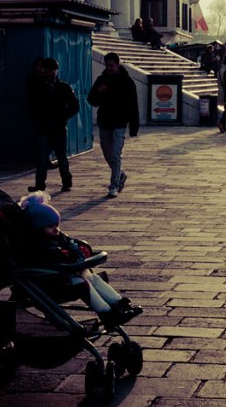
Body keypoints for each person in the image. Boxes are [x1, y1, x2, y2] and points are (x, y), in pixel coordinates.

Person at [17, 194, 141, 327]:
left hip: (66, 276)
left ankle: (119, 303)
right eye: (50, 226)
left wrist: (82, 248)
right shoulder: (38, 245)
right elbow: (56, 257)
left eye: (57, 225)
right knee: (83, 284)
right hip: (53, 282)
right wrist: (72, 257)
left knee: (94, 278)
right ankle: (106, 313)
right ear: (38, 228)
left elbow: (72, 243)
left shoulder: (57, 237)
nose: (56, 229)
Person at [88, 51, 140, 198]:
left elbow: (133, 104)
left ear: (117, 65)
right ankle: (120, 174)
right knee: (108, 154)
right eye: (107, 66)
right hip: (105, 122)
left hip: (120, 122)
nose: (109, 68)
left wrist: (133, 127)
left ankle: (114, 186)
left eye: (111, 65)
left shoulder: (126, 81)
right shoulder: (101, 80)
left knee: (116, 155)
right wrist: (99, 92)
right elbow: (91, 99)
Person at [27, 57, 79, 193]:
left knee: (61, 157)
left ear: (56, 71)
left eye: (51, 70)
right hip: (44, 127)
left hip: (58, 127)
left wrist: (63, 116)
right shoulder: (37, 87)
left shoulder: (63, 87)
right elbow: (33, 106)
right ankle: (40, 184)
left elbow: (75, 105)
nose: (49, 72)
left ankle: (66, 182)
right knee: (42, 158)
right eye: (46, 69)